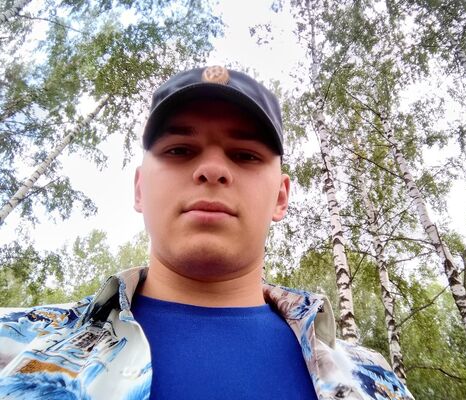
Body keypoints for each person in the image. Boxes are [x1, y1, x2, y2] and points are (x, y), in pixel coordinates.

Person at [0, 66, 413, 399]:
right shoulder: (15, 345)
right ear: (140, 189)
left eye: (245, 155)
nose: (212, 169)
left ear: (280, 197)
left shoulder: (374, 381)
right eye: (180, 150)